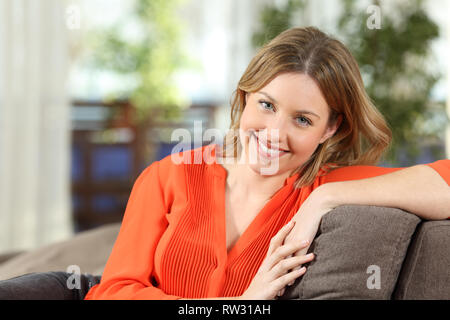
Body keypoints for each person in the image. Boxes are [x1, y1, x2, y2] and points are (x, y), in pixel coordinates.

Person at [0, 26, 448, 300]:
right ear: (244, 98)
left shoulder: (323, 188)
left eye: (303, 119)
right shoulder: (168, 176)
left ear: (331, 129)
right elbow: (113, 292)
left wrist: (324, 198)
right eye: (267, 105)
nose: (274, 133)